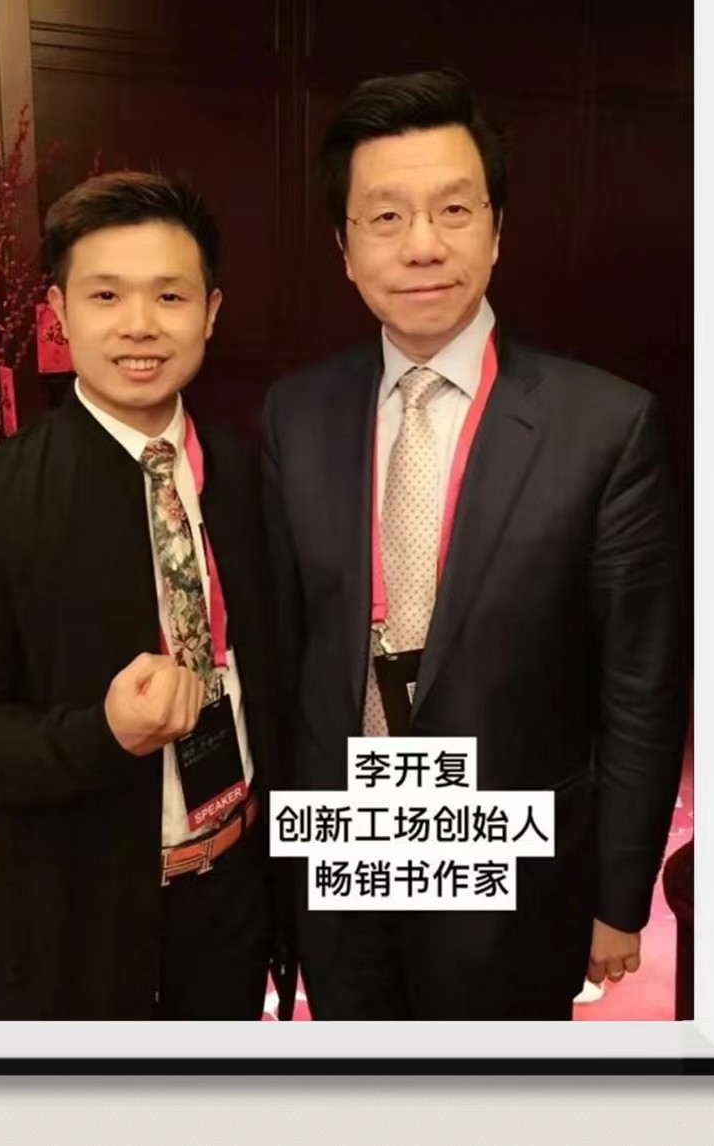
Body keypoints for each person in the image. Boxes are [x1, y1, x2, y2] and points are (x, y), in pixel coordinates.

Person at [261, 70, 687, 1020]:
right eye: (385, 217)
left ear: (496, 231)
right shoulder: (296, 414)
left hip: (514, 867)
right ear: (343, 248)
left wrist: (618, 896)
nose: (423, 244)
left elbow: (641, 689)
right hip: (345, 849)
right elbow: (290, 656)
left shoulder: (605, 425)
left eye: (454, 209)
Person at [0, 170, 295, 1020]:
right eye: (105, 295)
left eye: (170, 295)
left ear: (211, 311)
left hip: (231, 894)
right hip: (73, 909)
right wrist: (101, 734)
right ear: (58, 312)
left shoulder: (249, 476)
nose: (139, 324)